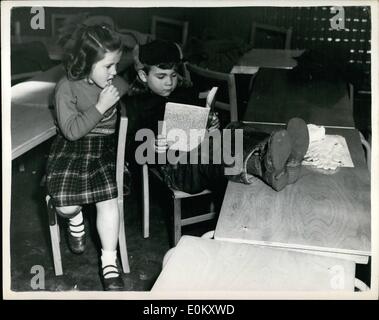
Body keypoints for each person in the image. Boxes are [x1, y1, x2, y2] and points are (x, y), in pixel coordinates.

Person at [123, 39, 309, 197]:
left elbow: (199, 125)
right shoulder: (135, 105)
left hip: (198, 151)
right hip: (176, 169)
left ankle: (284, 158)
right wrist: (152, 145)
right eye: (161, 76)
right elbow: (129, 150)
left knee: (233, 128)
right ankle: (264, 165)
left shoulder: (183, 93)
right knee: (213, 149)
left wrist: (210, 123)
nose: (169, 82)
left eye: (173, 75)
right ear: (143, 75)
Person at [45, 25, 128, 291]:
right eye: (108, 66)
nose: (114, 72)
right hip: (72, 148)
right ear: (85, 63)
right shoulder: (66, 88)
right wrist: (101, 106)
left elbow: (125, 85)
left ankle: (109, 261)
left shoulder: (111, 80)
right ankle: (75, 218)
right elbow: (71, 132)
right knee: (65, 205)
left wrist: (135, 82)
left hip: (103, 148)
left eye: (116, 64)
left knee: (108, 199)